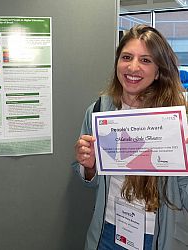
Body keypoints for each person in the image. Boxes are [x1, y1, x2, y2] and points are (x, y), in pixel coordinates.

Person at [72, 24, 188, 250]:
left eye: (145, 60)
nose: (133, 67)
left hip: (156, 238)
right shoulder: (98, 110)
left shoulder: (177, 120)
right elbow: (92, 182)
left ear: (158, 70)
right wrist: (88, 166)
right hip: (107, 231)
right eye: (126, 57)